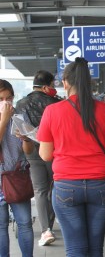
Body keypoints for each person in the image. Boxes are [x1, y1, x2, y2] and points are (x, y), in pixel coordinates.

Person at [37, 57, 105, 256]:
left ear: (65, 82)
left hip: (66, 186)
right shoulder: (104, 109)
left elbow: (46, 155)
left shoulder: (52, 111)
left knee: (76, 249)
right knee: (95, 248)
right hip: (100, 185)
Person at [15, 70, 61, 247]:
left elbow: (19, 129)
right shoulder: (55, 103)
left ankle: (45, 230)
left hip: (32, 152)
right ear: (46, 86)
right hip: (53, 151)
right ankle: (55, 223)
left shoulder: (20, 104)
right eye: (52, 85)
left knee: (40, 190)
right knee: (55, 186)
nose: (54, 89)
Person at [0, 79, 35, 257]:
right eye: (1, 99)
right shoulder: (7, 117)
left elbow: (28, 151)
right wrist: (3, 121)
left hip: (17, 176)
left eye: (9, 98)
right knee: (1, 227)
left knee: (25, 223)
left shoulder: (20, 115)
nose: (6, 103)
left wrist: (26, 139)